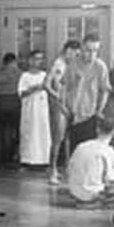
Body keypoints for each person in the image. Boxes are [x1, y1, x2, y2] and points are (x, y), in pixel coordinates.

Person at [44, 40, 81, 183]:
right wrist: (57, 96)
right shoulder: (58, 64)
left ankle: (65, 168)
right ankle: (52, 170)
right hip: (59, 106)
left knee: (66, 139)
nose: (75, 56)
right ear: (67, 50)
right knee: (57, 139)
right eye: (73, 53)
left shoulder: (71, 65)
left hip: (69, 104)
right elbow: (46, 84)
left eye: (77, 54)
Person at [67, 33, 112, 153]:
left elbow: (105, 91)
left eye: (95, 51)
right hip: (73, 116)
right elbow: (65, 89)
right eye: (88, 50)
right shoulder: (73, 65)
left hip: (91, 116)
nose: (92, 54)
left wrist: (99, 110)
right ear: (82, 48)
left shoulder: (100, 66)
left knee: (90, 154)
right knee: (75, 153)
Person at [66, 117, 114, 208]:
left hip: (74, 191)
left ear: (97, 130)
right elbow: (110, 180)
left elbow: (69, 169)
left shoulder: (81, 146)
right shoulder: (109, 152)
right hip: (93, 193)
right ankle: (97, 203)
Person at [17, 50, 51, 167]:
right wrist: (34, 88)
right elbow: (21, 93)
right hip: (30, 110)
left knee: (43, 132)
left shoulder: (45, 75)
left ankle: (43, 159)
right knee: (29, 133)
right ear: (30, 60)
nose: (38, 62)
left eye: (41, 59)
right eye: (36, 59)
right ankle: (27, 159)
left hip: (42, 110)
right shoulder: (25, 76)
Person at [0, 53, 22, 165]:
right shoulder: (19, 73)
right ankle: (13, 153)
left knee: (3, 131)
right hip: (15, 103)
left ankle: (5, 155)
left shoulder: (0, 73)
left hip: (1, 103)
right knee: (15, 130)